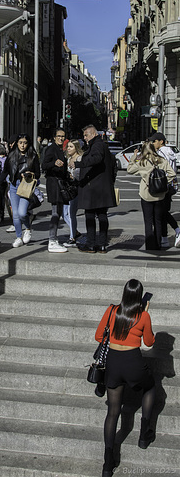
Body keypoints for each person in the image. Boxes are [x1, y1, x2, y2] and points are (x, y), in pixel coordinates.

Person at [95, 279, 156, 477]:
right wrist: (145, 315)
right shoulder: (143, 315)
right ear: (140, 298)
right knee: (150, 387)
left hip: (113, 363)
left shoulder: (112, 310)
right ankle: (145, 436)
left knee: (113, 412)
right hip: (133, 362)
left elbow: (98, 336)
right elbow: (149, 342)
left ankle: (107, 462)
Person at [70, 125, 116, 254]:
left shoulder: (97, 145)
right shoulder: (99, 145)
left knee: (91, 215)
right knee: (101, 215)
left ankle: (92, 244)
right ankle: (100, 245)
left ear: (93, 134)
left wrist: (78, 163)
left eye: (86, 135)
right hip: (100, 187)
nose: (84, 138)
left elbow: (96, 159)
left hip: (94, 187)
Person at [0, 134, 40, 248]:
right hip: (13, 186)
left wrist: (29, 174)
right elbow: (5, 172)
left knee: (22, 213)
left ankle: (28, 228)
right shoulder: (12, 155)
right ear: (17, 144)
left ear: (28, 144)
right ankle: (18, 237)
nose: (22, 145)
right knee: (15, 215)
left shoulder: (32, 156)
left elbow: (38, 173)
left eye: (25, 143)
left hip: (25, 186)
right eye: (20, 143)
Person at [127, 140, 175, 250]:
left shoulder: (142, 162)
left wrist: (134, 157)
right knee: (158, 220)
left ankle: (150, 245)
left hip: (146, 193)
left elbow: (129, 170)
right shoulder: (161, 160)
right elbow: (172, 173)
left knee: (148, 221)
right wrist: (164, 182)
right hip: (160, 194)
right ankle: (158, 244)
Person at [42, 128, 74, 253]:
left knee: (59, 212)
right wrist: (54, 163)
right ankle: (52, 240)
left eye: (63, 136)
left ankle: (54, 239)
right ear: (54, 137)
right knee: (56, 212)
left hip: (59, 183)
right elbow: (44, 165)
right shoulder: (51, 149)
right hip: (54, 184)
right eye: (59, 136)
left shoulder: (60, 149)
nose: (61, 138)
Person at [150, 131, 180, 248]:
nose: (153, 143)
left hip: (164, 184)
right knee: (162, 212)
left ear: (161, 142)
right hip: (171, 184)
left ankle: (176, 231)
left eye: (155, 141)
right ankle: (164, 237)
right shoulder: (170, 152)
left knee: (161, 211)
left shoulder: (162, 153)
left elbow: (162, 169)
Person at [63, 139, 83, 247]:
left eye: (71, 147)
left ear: (76, 148)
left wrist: (73, 175)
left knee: (71, 213)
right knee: (64, 213)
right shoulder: (68, 158)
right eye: (68, 147)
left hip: (76, 188)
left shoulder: (79, 158)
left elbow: (80, 175)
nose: (68, 149)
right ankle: (75, 232)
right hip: (68, 188)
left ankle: (72, 237)